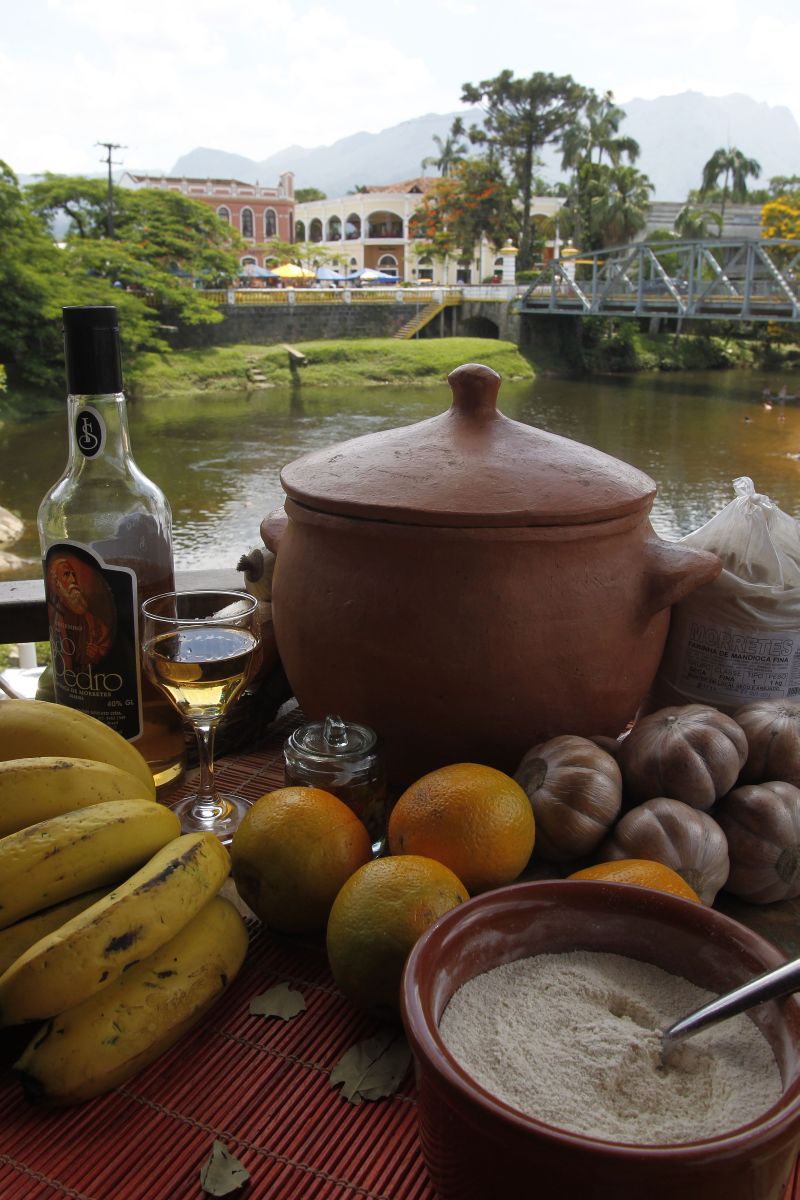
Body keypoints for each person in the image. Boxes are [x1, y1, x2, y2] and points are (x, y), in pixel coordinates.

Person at [46, 555, 111, 672]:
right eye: (66, 575)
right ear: (57, 583)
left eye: (74, 575)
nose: (73, 580)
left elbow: (108, 644)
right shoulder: (54, 614)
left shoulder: (91, 619)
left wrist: (96, 653)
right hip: (69, 682)